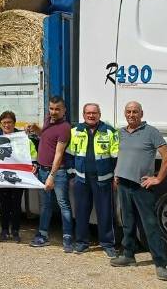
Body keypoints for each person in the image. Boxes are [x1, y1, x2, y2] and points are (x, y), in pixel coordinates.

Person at [111, 101, 167, 282]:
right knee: (127, 223)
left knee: (150, 226)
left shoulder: (151, 132)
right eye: (129, 112)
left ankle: (160, 264)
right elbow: (122, 155)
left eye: (135, 112)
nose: (132, 115)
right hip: (123, 183)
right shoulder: (121, 133)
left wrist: (158, 178)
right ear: (125, 114)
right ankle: (128, 255)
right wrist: (117, 174)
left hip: (141, 187)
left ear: (141, 113)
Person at [67, 103, 119, 257]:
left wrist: (115, 176)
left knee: (105, 213)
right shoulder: (75, 131)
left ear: (99, 114)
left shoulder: (110, 131)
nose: (91, 115)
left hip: (103, 179)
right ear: (83, 115)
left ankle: (108, 244)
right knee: (81, 212)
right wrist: (71, 174)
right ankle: (82, 243)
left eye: (94, 113)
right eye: (88, 113)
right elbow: (69, 155)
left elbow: (117, 157)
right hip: (82, 179)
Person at [27, 96, 74, 252]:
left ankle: (67, 237)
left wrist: (51, 176)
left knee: (63, 205)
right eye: (51, 108)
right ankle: (43, 235)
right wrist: (36, 129)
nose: (53, 112)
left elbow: (59, 154)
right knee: (45, 205)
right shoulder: (49, 120)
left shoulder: (65, 127)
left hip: (57, 172)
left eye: (57, 109)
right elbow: (45, 137)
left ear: (64, 110)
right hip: (42, 170)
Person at [0, 110, 36, 243]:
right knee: (4, 204)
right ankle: (4, 230)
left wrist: (34, 163)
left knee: (16, 204)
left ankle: (16, 231)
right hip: (1, 176)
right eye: (4, 122)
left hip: (18, 176)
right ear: (0, 124)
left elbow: (32, 151)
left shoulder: (22, 138)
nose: (7, 125)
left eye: (9, 122)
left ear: (14, 123)